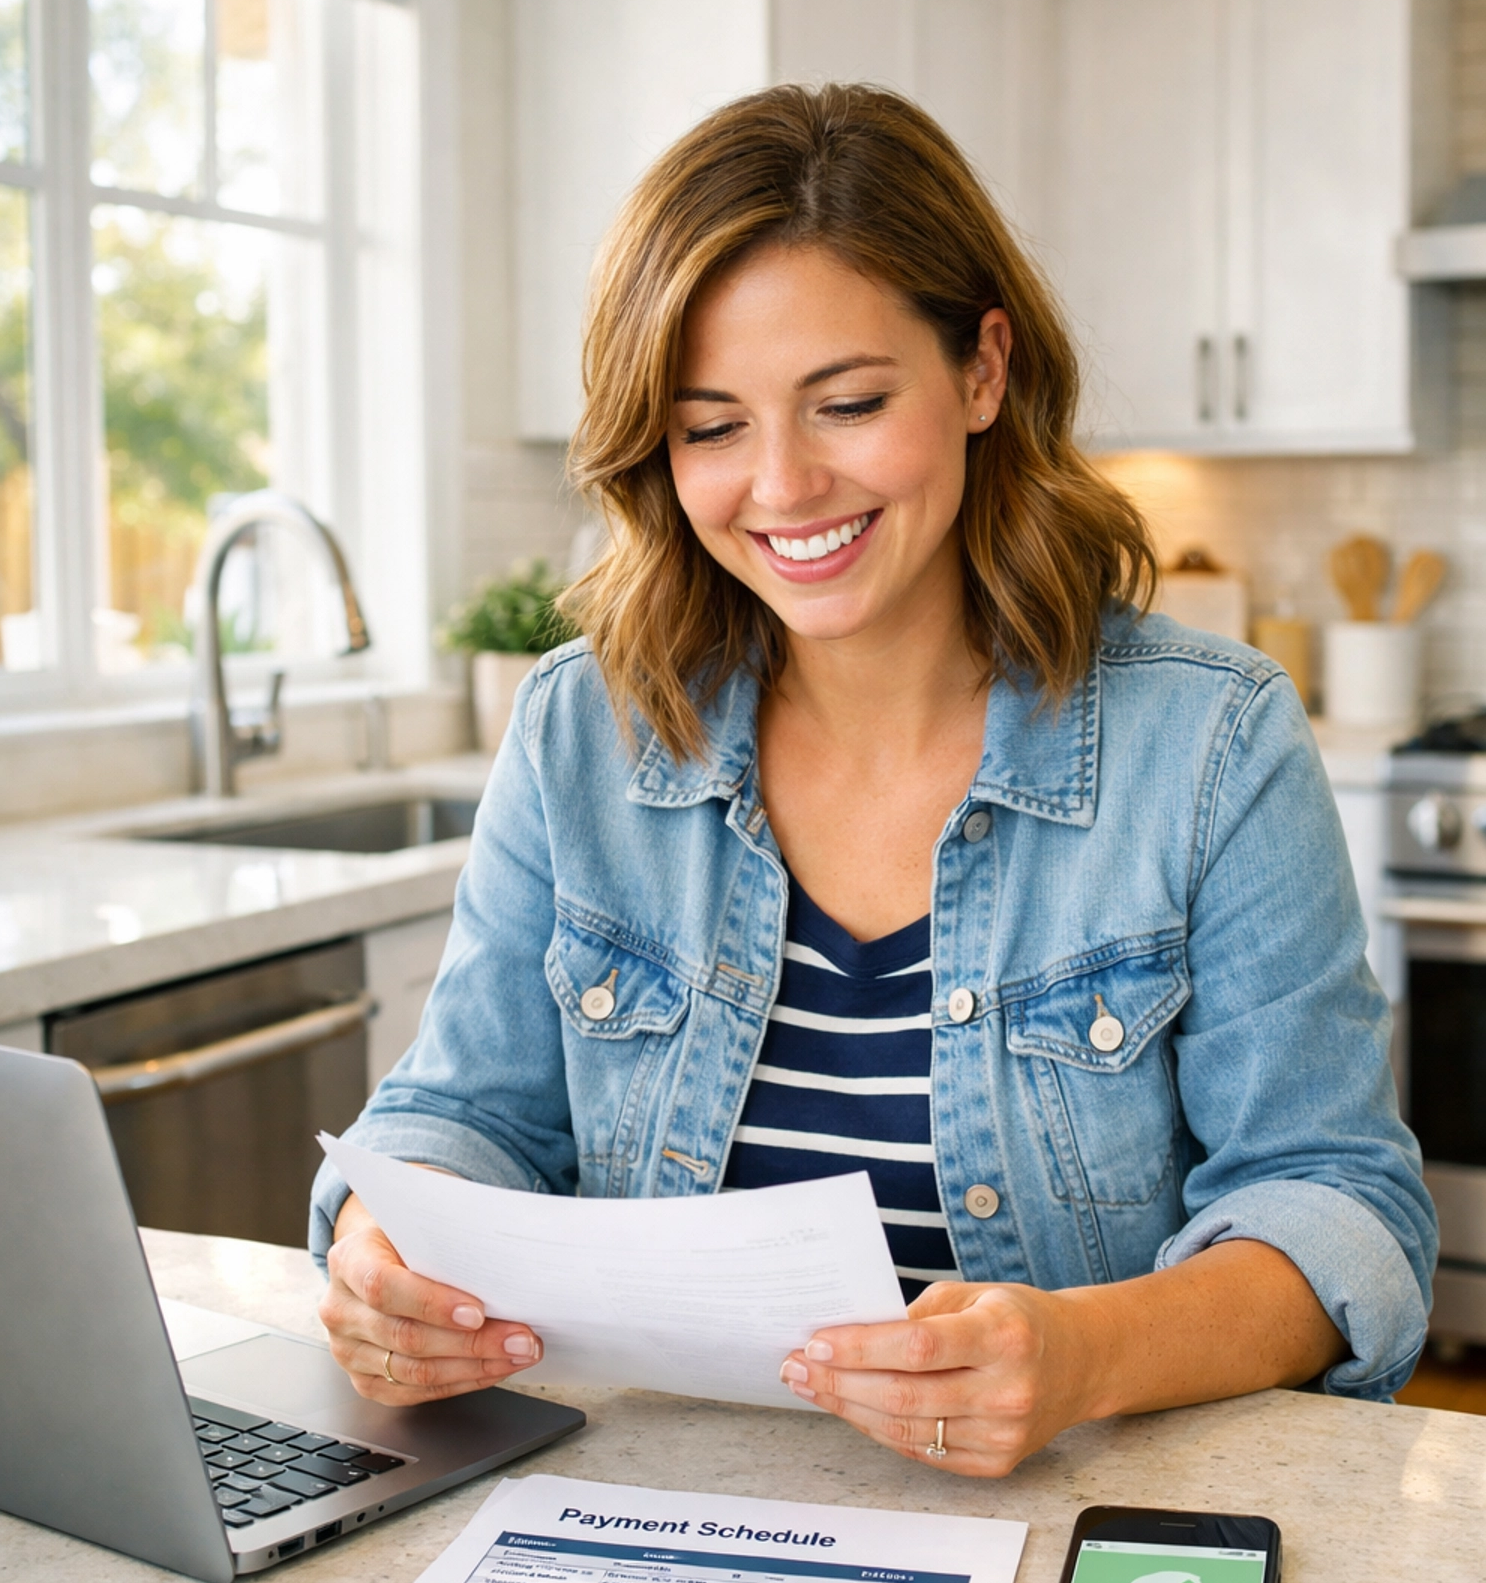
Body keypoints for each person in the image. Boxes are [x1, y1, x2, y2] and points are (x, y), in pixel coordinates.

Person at [312, 82, 1436, 1478]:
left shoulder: (1207, 745)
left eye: (845, 403)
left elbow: (1336, 1204)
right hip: (663, 1506)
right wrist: (385, 1254)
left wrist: (1088, 1353)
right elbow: (466, 1115)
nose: (781, 485)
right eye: (710, 425)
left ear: (981, 372)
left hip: (1068, 1515)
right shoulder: (582, 730)